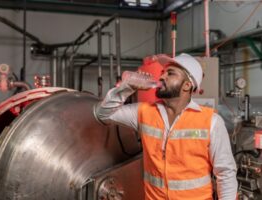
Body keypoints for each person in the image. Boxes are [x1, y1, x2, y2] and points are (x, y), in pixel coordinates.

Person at [94, 53, 237, 200]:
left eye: (171, 73)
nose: (162, 77)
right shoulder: (143, 112)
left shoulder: (211, 122)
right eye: (163, 72)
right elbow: (102, 113)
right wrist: (127, 87)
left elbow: (226, 173)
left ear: (187, 85)